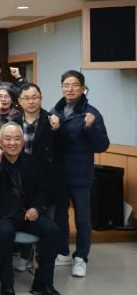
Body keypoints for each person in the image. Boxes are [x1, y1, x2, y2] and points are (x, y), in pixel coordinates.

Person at [0, 123, 62, 295]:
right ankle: (7, 285)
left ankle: (43, 283)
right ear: (0, 142)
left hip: (27, 213)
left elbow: (43, 190)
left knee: (53, 231)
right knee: (4, 232)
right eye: (8, 139)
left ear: (23, 142)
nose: (13, 143)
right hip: (3, 215)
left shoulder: (32, 162)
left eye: (17, 139)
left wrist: (36, 208)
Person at [51, 70, 109, 277]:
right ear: (61, 88)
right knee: (60, 216)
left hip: (81, 173)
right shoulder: (55, 111)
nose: (70, 89)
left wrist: (91, 127)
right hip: (59, 174)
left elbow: (102, 145)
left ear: (83, 88)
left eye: (75, 84)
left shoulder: (91, 113)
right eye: (66, 85)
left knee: (82, 219)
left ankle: (81, 257)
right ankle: (63, 252)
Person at [12, 82, 61, 272]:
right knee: (26, 217)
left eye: (35, 97)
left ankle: (43, 263)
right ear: (19, 101)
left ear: (41, 98)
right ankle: (25, 255)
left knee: (47, 221)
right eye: (26, 98)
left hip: (48, 178)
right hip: (22, 178)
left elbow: (63, 147)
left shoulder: (52, 120)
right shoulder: (14, 122)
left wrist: (57, 130)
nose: (31, 101)